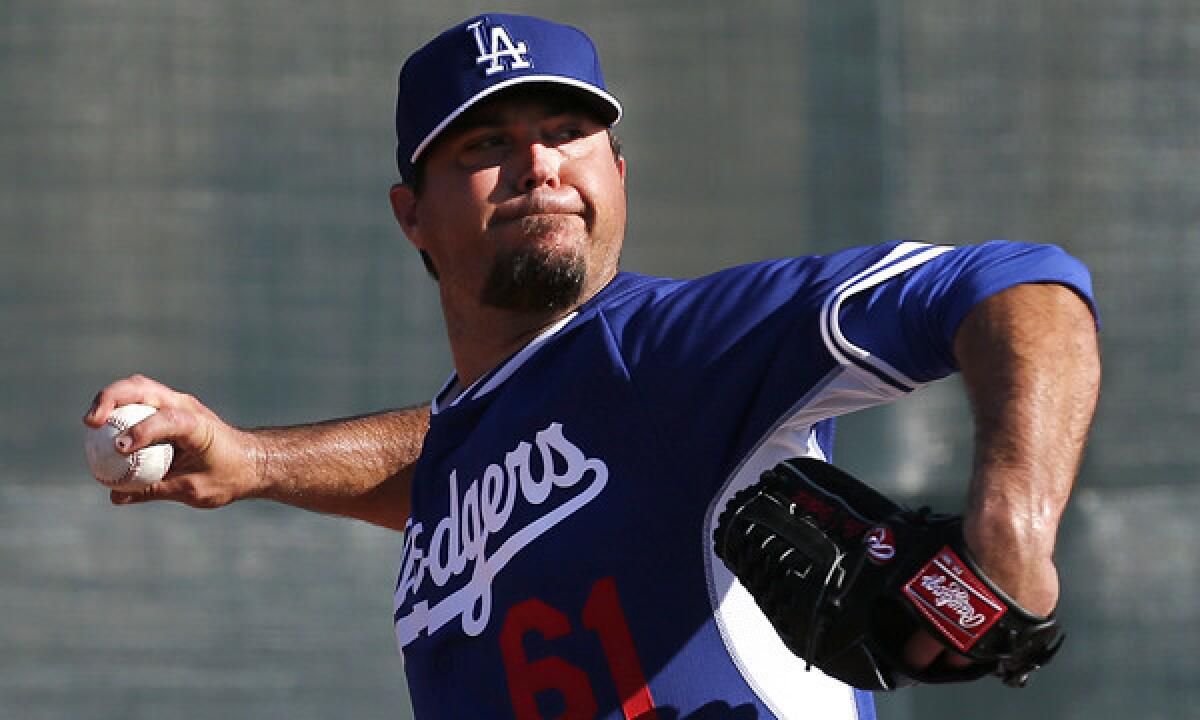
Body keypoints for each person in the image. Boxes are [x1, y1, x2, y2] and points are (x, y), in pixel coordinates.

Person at [84, 12, 1101, 720]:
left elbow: (1017, 284)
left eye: (568, 132)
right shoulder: (491, 433)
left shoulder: (676, 348)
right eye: (486, 142)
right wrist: (258, 463)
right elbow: (459, 455)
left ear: (618, 170)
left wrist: (1014, 521)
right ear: (411, 216)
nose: (539, 164)